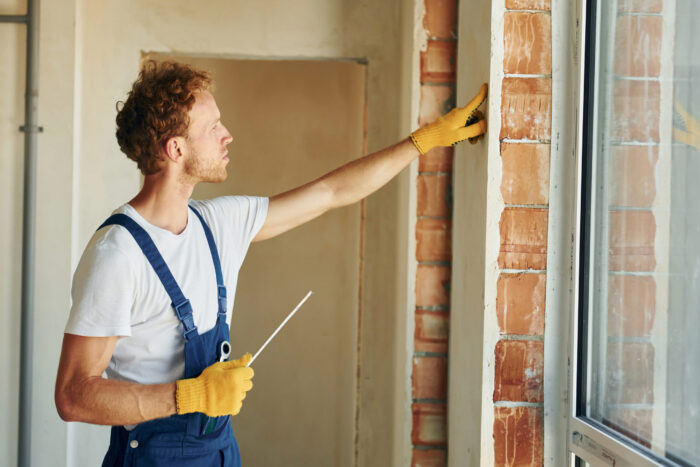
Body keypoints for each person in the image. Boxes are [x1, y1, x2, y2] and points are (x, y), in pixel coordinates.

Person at [54, 60, 487, 466]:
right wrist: (189, 397)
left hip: (219, 450)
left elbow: (331, 192)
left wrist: (425, 141)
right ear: (175, 149)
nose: (228, 135)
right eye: (212, 127)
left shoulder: (217, 224)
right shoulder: (118, 255)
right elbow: (73, 395)